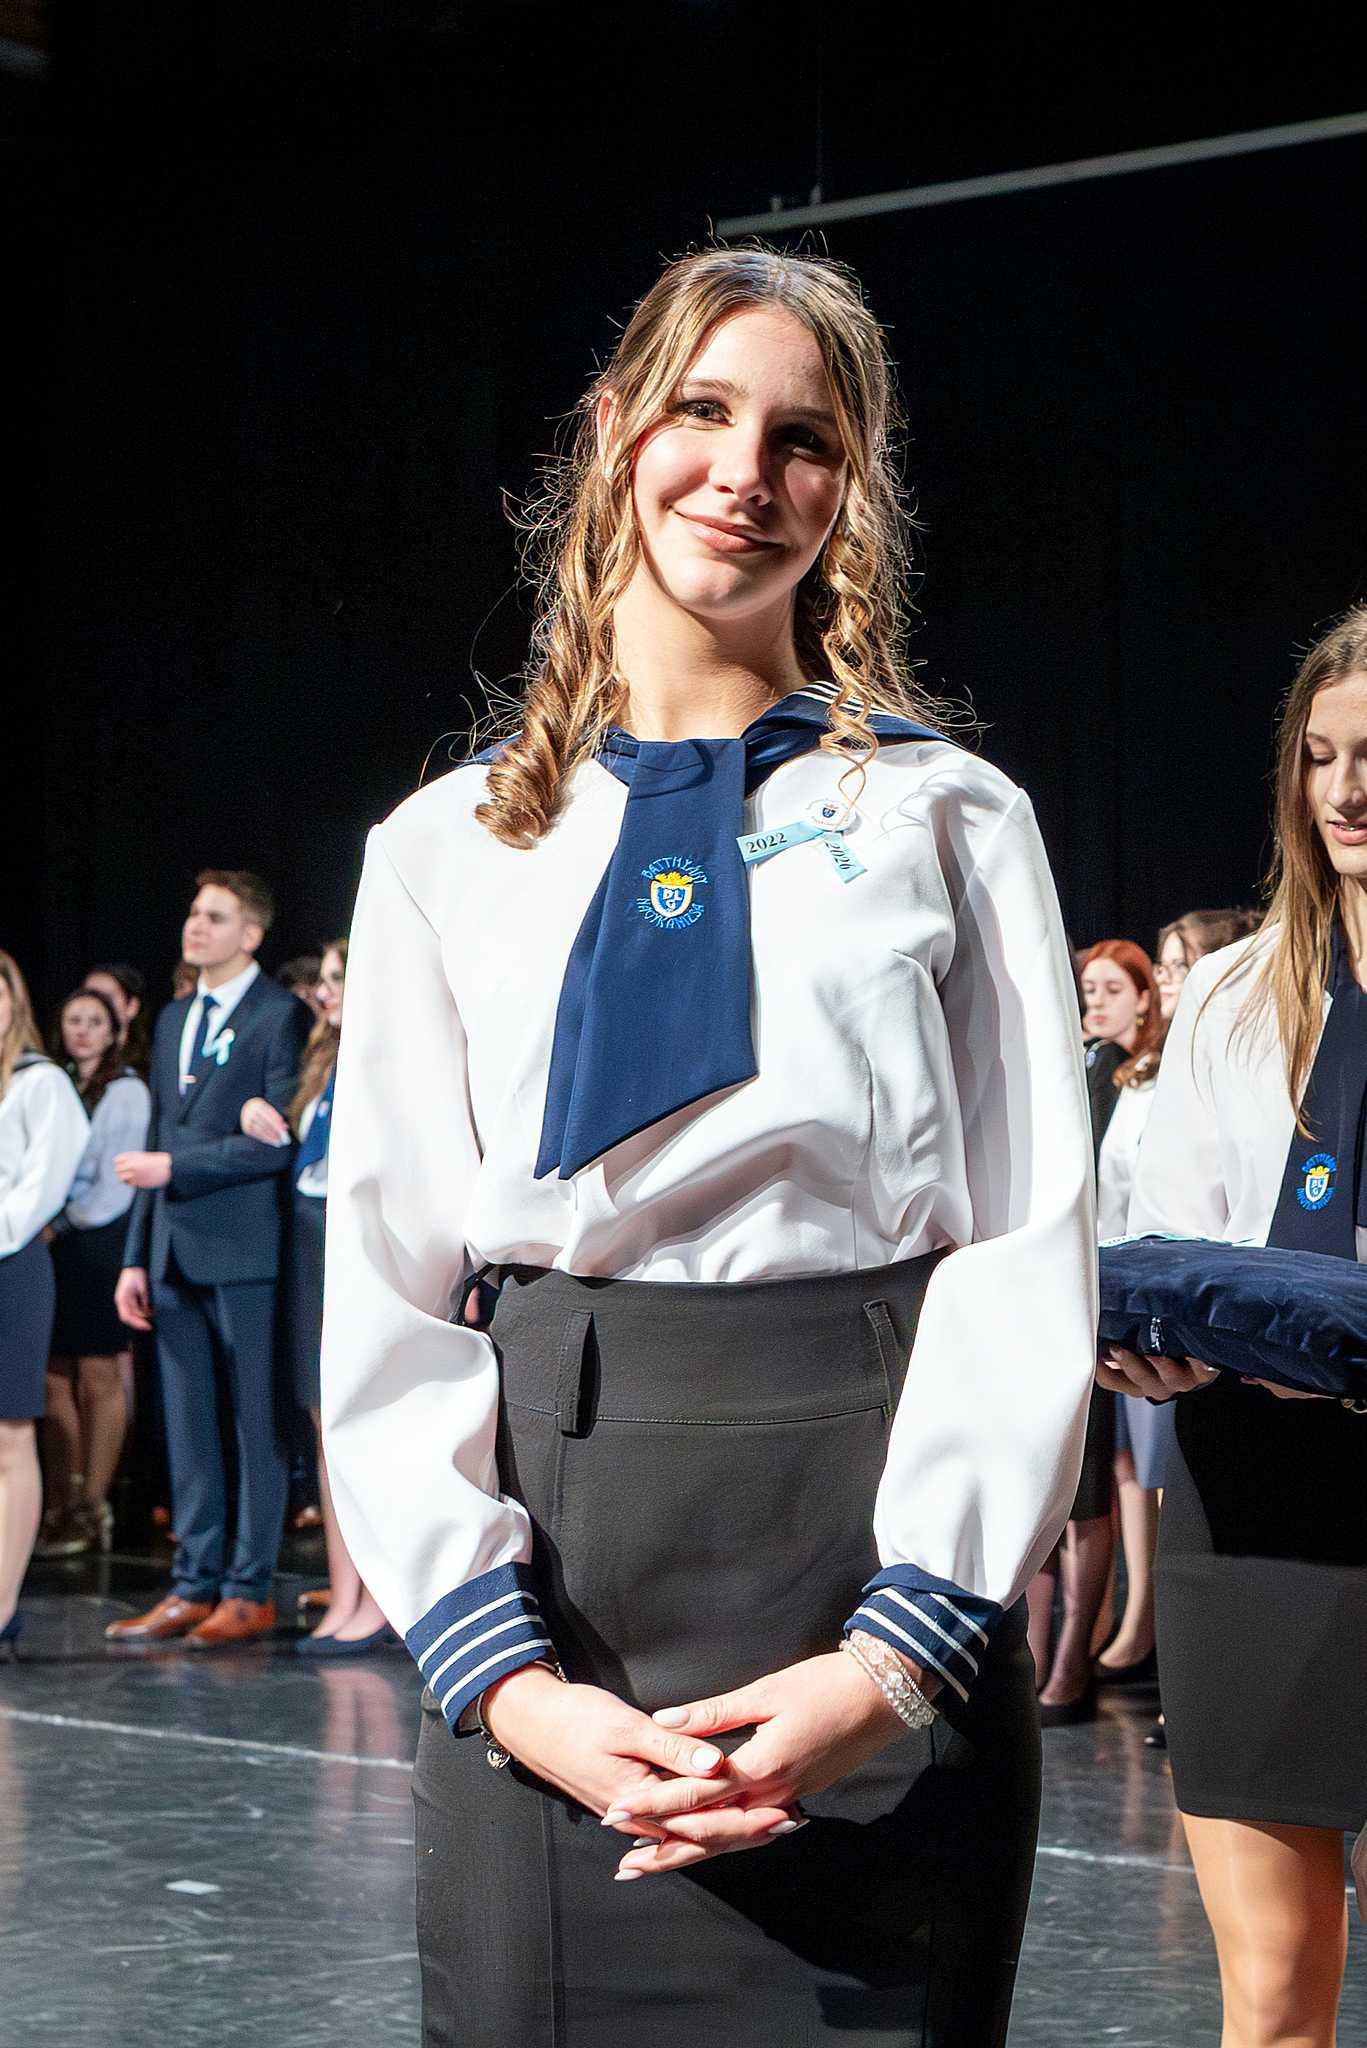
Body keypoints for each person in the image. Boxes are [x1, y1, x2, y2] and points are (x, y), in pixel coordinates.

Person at [322, 246, 1097, 2046]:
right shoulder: (441, 849)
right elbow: (388, 1286)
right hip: (555, 1587)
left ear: (849, 487)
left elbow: (1025, 1241)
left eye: (802, 438)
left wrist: (891, 1658)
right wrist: (513, 1688)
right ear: (613, 432)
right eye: (702, 411)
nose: (745, 473)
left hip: (872, 1557)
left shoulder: (950, 815)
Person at [1100, 605, 1367, 2048]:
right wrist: (1154, 1347)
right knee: (1267, 1995)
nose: (1343, 790)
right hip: (1243, 1493)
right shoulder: (1221, 994)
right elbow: (1176, 1235)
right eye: (1317, 757)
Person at [105, 870, 310, 1647]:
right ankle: (193, 1582)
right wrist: (135, 1256)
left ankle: (249, 1588)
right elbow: (156, 1137)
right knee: (188, 1426)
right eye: (194, 912)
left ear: (250, 935)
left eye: (215, 916)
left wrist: (178, 1166)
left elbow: (279, 1142)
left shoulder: (279, 1014)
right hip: (171, 1249)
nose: (196, 925)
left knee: (256, 1422)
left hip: (247, 1246)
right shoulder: (174, 1017)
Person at [1096, 907, 1262, 1689]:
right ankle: (1148, 1629)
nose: (1169, 981)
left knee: (1166, 1478)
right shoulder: (1131, 1075)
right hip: (1147, 1297)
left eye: (1178, 964)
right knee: (1138, 1468)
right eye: (1163, 967)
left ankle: (1159, 1643)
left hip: (1224, 1314)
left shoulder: (1233, 1044)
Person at [240, 940, 389, 1653]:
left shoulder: (387, 1057)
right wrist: (255, 1112)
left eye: (337, 980)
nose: (324, 993)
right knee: (325, 1421)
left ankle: (381, 1598)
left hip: (358, 1244)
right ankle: (345, 1591)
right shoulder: (322, 1061)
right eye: (324, 980)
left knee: (365, 1420)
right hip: (310, 1240)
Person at [1031, 939, 1160, 1722]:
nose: (1096, 1002)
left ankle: (1080, 1655)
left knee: (1099, 1482)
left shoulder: (1139, 1076)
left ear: (1145, 995)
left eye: (1112, 988)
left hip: (1114, 1288)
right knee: (1056, 1473)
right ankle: (1041, 1656)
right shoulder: (1084, 1066)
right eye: (1088, 989)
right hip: (1057, 1286)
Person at [36, 987, 151, 1557]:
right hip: (50, 1238)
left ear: (113, 1032)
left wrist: (58, 1221)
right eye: (73, 1020)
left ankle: (92, 1502)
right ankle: (61, 1495)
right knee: (54, 1374)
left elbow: (113, 1184)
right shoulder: (54, 1081)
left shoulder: (126, 1090)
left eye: (94, 1021)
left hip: (98, 1239)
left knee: (99, 1374)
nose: (82, 1030)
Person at [0, 952, 90, 1654]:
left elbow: (41, 1187)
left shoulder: (40, 1082)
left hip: (11, 1266)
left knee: (10, 1437)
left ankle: (2, 1606)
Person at [83, 962, 150, 1077]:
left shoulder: (150, 1067)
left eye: (107, 998)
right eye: (88, 996)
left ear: (132, 1007)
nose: (96, 1004)